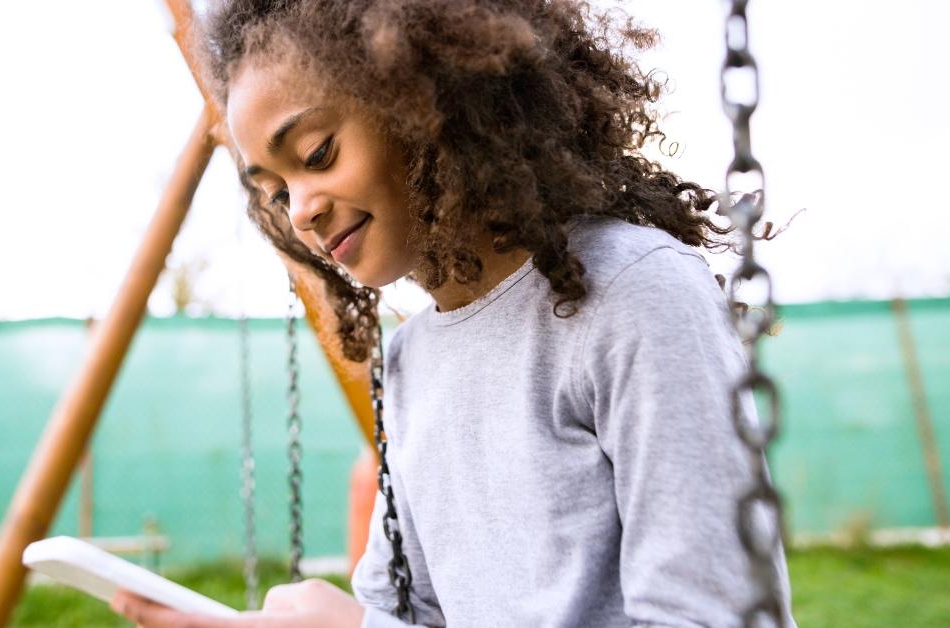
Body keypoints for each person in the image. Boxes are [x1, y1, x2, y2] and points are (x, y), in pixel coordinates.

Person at [111, 0, 795, 626]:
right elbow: (408, 612)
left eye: (317, 154)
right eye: (275, 189)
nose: (302, 209)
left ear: (422, 98)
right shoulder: (414, 359)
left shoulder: (634, 297)